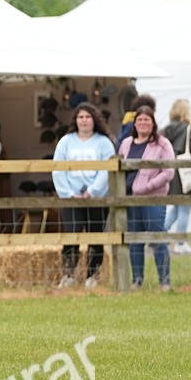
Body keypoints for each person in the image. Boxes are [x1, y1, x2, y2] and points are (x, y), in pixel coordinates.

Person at [51, 102, 116, 289]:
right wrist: (68, 194)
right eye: (80, 117)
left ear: (94, 120)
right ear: (75, 120)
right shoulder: (66, 142)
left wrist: (92, 191)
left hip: (96, 198)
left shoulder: (104, 143)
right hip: (71, 198)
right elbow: (58, 169)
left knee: (95, 237)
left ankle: (92, 276)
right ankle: (69, 274)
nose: (84, 121)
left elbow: (106, 171)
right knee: (72, 235)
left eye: (88, 117)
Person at [117, 106, 176, 290]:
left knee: (157, 238)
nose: (143, 123)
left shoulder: (162, 144)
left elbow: (168, 172)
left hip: (153, 199)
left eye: (146, 120)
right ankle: (137, 280)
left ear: (153, 123)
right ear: (134, 123)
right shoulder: (126, 143)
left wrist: (148, 187)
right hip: (130, 199)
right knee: (135, 240)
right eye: (139, 120)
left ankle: (164, 281)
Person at [162, 99, 191, 254]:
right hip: (186, 173)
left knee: (176, 209)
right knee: (185, 209)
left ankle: (159, 236)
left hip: (172, 174)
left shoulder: (165, 130)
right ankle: (180, 243)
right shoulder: (188, 129)